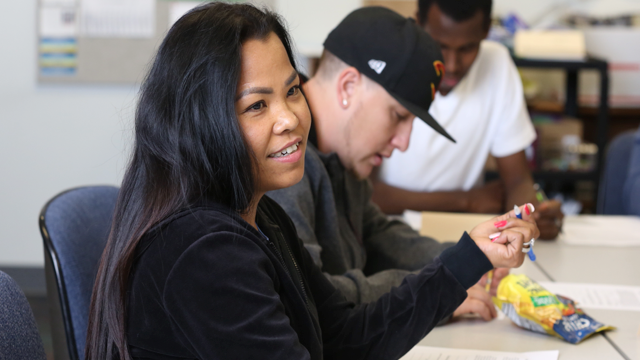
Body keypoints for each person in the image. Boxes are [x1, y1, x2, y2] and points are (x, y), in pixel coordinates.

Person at [84, 3, 538, 359]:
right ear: (205, 122)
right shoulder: (205, 252)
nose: (290, 119)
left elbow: (343, 338)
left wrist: (467, 259)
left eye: (292, 91)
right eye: (257, 106)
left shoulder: (262, 215)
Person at [267, 6, 509, 321]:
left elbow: (377, 234)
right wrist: (430, 293)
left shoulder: (342, 159)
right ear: (348, 87)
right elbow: (309, 297)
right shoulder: (286, 161)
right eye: (398, 116)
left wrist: (466, 261)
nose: (403, 142)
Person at [372, 0, 564, 240]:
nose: (451, 65)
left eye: (467, 48)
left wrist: (531, 217)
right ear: (418, 24)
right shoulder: (383, 63)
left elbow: (517, 180)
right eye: (440, 45)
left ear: (486, 33)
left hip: (463, 232)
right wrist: (466, 200)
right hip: (384, 231)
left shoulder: (497, 64)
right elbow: (364, 193)